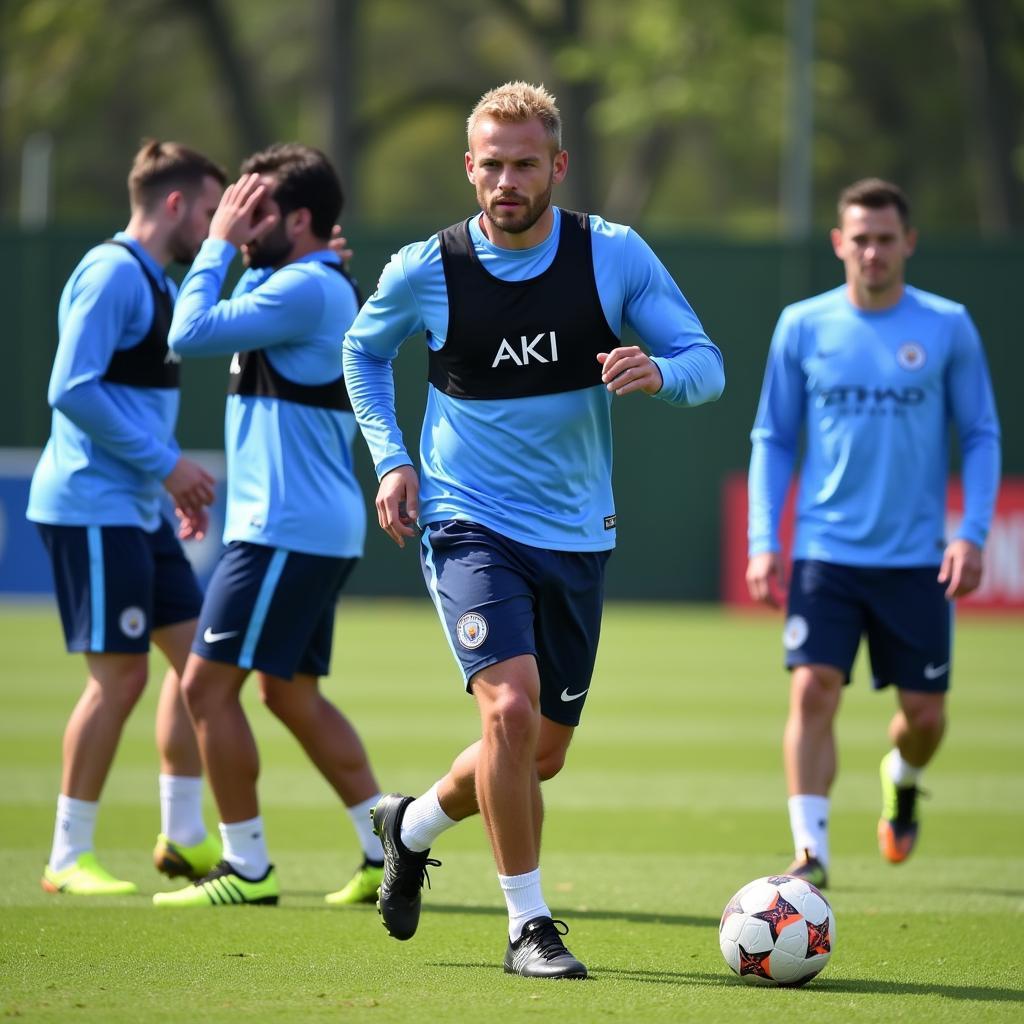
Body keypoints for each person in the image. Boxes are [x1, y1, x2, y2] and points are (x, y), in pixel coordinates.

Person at [342, 82, 725, 978]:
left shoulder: (613, 256)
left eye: (524, 164)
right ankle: (529, 928)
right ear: (468, 168)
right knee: (507, 712)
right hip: (465, 518)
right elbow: (362, 351)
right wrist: (392, 458)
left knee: (536, 756)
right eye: (490, 165)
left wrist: (660, 373)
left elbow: (705, 363)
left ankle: (412, 823)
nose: (505, 181)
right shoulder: (426, 268)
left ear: (557, 166)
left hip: (577, 534)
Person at [746, 178, 1001, 888]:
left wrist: (971, 532)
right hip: (826, 552)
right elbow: (773, 437)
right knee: (812, 691)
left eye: (886, 239)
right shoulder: (802, 325)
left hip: (917, 558)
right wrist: (764, 540)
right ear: (838, 244)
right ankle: (810, 850)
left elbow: (979, 434)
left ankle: (904, 774)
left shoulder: (947, 325)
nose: (873, 251)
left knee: (924, 716)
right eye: (859, 238)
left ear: (908, 243)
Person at [153, 143, 386, 908]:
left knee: (206, 690)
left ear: (302, 220)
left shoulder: (308, 290)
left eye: (256, 214)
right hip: (300, 527)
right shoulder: (300, 281)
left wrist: (217, 242)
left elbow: (185, 335)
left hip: (283, 530)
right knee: (290, 697)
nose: (241, 227)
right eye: (236, 213)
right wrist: (245, 249)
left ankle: (247, 868)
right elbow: (237, 298)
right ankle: (387, 850)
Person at [27, 140, 227, 895]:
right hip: (92, 505)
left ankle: (181, 838)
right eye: (210, 212)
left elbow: (126, 399)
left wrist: (166, 483)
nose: (216, 230)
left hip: (136, 507)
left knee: (201, 664)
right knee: (119, 679)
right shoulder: (114, 273)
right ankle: (66, 855)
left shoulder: (156, 281)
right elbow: (70, 388)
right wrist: (167, 465)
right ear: (175, 205)